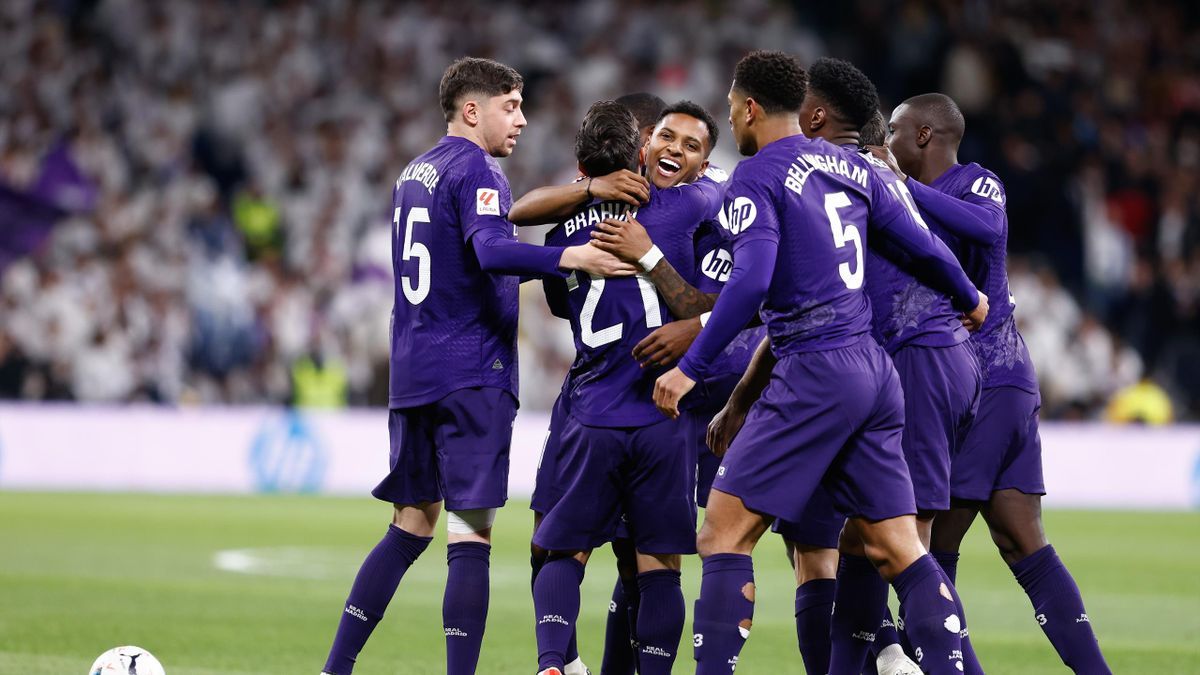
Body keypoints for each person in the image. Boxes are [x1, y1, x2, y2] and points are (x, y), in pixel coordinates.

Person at [651, 50, 987, 675]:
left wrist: (691, 366)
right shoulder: (856, 168)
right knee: (899, 547)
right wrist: (972, 298)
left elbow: (750, 285)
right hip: (875, 374)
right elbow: (925, 247)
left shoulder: (754, 179)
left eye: (731, 106)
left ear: (750, 108)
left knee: (722, 533)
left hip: (813, 368)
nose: (732, 117)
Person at [319, 57, 633, 675]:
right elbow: (490, 252)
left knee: (409, 527)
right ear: (472, 110)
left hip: (412, 371)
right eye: (510, 106)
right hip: (471, 373)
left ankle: (335, 669)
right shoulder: (477, 170)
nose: (521, 119)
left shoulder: (414, 172)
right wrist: (574, 256)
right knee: (470, 536)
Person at [878, 92, 1113, 674]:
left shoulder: (975, 183)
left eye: (897, 131)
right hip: (987, 384)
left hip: (982, 383)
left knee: (927, 550)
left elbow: (984, 226)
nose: (887, 143)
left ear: (926, 136)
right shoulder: (900, 205)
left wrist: (902, 189)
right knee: (1021, 541)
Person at [529, 99, 722, 675]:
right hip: (664, 412)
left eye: (690, 146)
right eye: (666, 138)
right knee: (659, 563)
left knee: (562, 549)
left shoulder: (559, 231)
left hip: (593, 407)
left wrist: (585, 195)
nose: (675, 153)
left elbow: (559, 303)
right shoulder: (682, 206)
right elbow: (729, 294)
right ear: (641, 146)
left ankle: (552, 664)